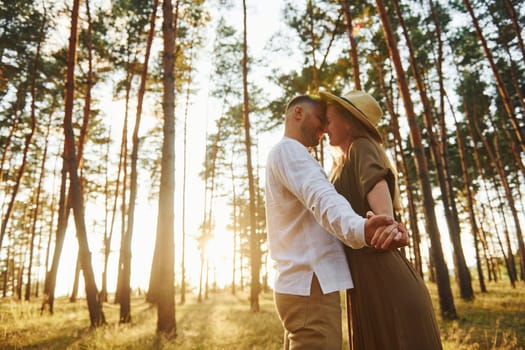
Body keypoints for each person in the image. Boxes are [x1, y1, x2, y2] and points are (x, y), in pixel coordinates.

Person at [265, 94, 408, 350]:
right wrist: (360, 228)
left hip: (303, 285)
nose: (322, 129)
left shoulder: (290, 155)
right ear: (298, 113)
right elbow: (322, 197)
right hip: (311, 285)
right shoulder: (289, 150)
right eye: (320, 120)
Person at [320, 89, 443, 350]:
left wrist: (391, 228)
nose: (325, 127)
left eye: (329, 120)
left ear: (348, 122)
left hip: (383, 276)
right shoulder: (340, 165)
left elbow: (384, 219)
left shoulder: (362, 147)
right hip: (364, 279)